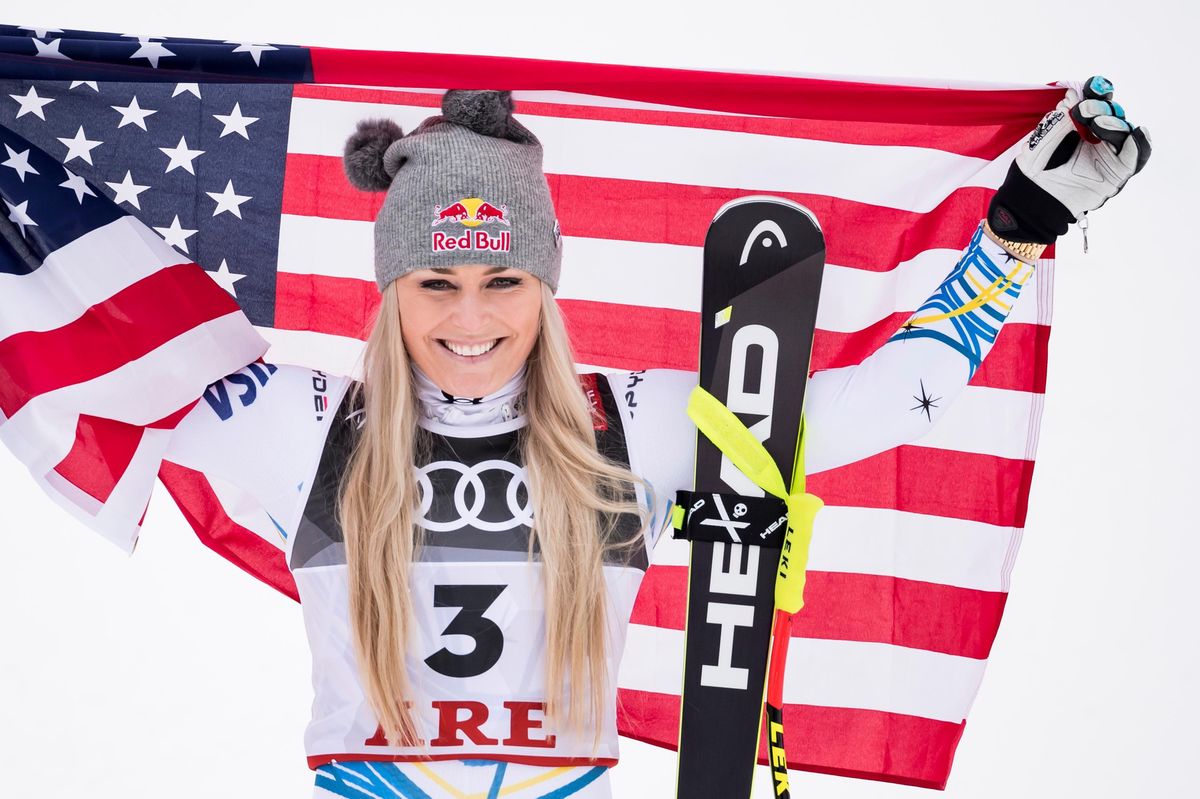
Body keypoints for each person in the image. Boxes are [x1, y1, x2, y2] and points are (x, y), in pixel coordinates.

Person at [7, 84, 1151, 798]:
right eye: (434, 282)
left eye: (505, 279)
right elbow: (89, 305)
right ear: (388, 291)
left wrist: (1017, 232)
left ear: (548, 289)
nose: (469, 318)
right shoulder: (298, 426)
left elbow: (886, 399)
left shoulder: (630, 423)